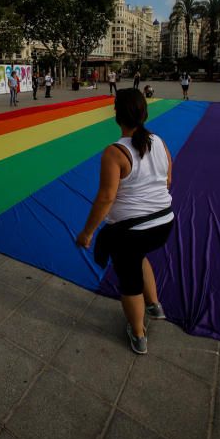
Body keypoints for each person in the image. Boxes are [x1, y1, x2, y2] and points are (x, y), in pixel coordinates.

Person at [77, 88, 174, 355]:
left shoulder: (115, 152)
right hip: (164, 223)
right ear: (144, 113)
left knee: (130, 280)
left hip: (133, 231)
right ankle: (154, 305)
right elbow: (168, 180)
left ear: (116, 115)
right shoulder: (159, 141)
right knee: (137, 257)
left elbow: (106, 198)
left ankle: (139, 333)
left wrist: (87, 233)